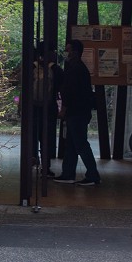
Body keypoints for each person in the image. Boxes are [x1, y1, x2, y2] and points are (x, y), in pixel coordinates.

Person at [53, 39, 101, 186]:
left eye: (68, 50)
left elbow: (70, 93)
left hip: (76, 112)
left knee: (80, 144)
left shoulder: (75, 69)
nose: (66, 53)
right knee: (73, 144)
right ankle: (68, 174)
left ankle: (92, 175)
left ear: (74, 52)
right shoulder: (79, 68)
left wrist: (63, 109)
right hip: (80, 111)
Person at [31, 41, 62, 176]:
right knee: (47, 138)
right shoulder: (56, 69)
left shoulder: (32, 67)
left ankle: (32, 160)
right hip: (49, 108)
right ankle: (46, 167)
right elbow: (61, 90)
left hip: (33, 108)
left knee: (33, 136)